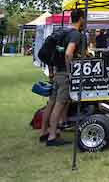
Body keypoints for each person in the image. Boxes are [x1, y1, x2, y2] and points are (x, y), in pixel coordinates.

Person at [40, 9, 84, 146]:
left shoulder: (63, 32)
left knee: (51, 103)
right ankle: (52, 136)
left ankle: (44, 133)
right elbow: (68, 53)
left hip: (57, 72)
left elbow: (55, 52)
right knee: (60, 104)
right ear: (81, 18)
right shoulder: (76, 34)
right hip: (65, 73)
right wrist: (70, 72)